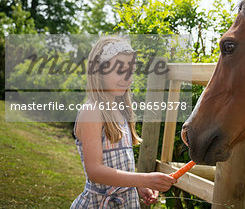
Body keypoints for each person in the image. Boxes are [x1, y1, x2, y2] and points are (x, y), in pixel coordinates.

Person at [71, 36, 176, 208]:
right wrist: (144, 178)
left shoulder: (120, 111)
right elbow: (95, 172)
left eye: (131, 71)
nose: (127, 78)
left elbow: (118, 167)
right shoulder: (93, 111)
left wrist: (137, 185)